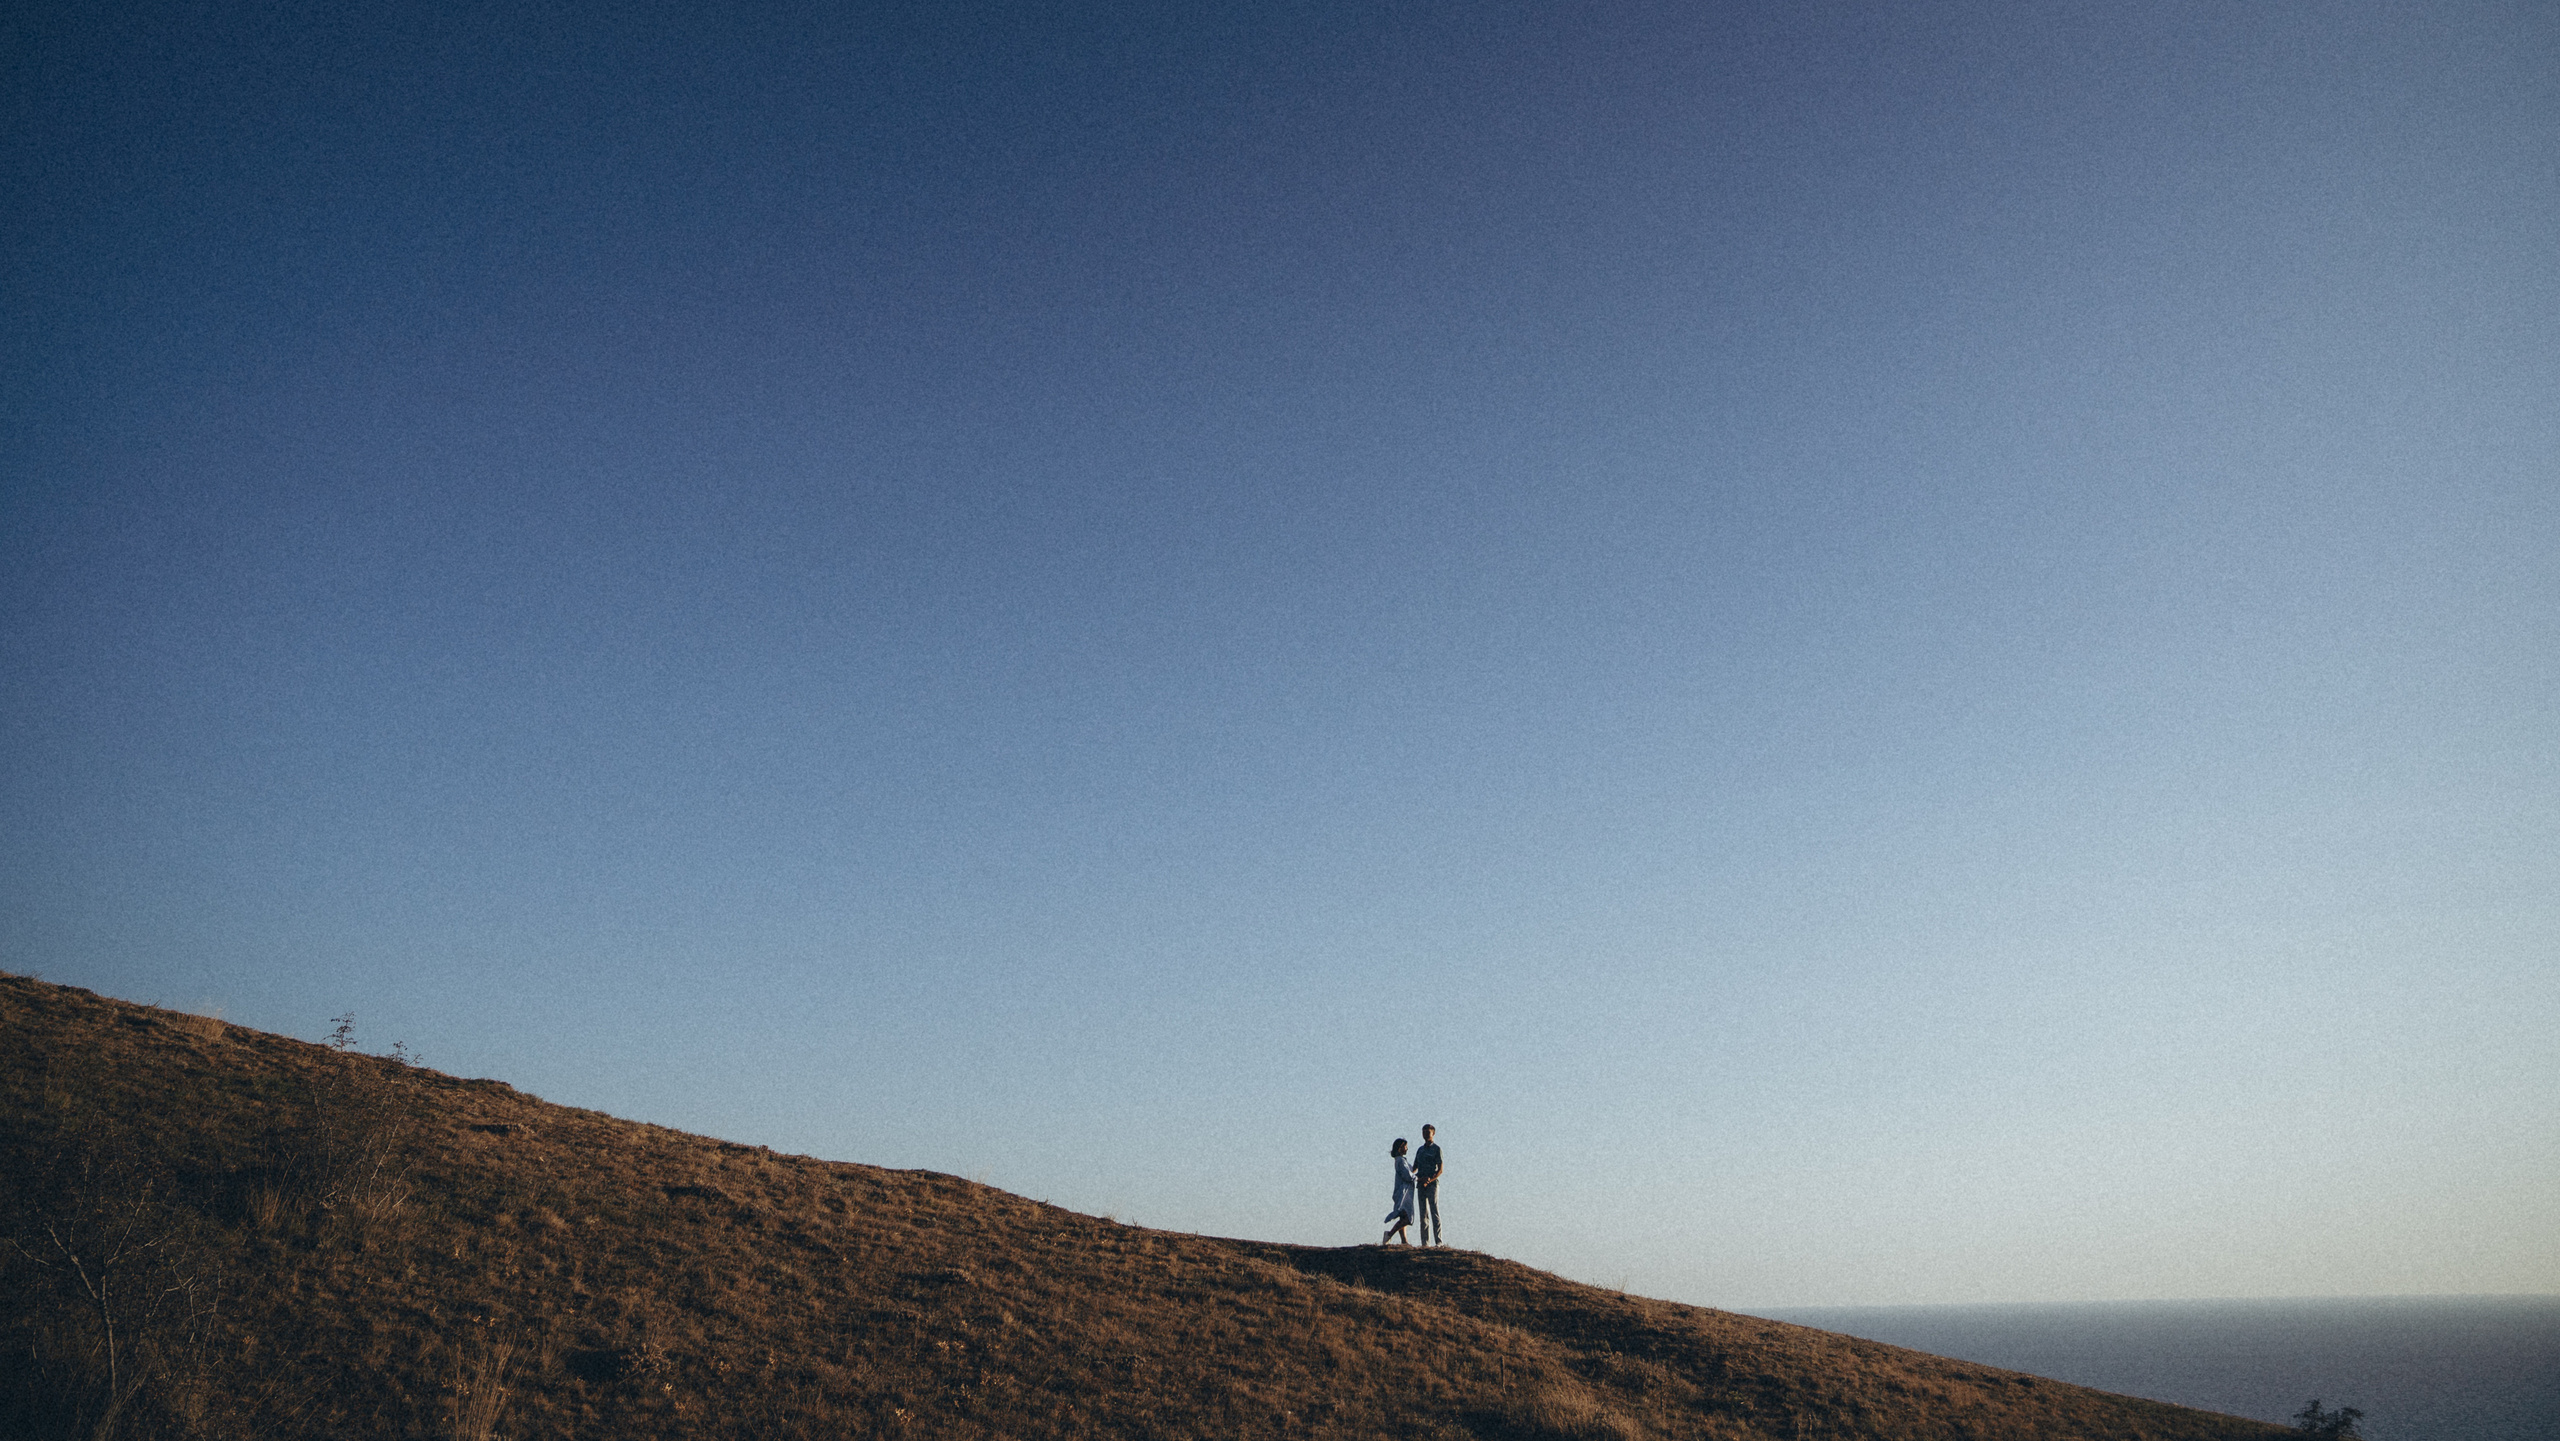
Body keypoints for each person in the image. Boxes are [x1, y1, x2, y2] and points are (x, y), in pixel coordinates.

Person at [1413, 1123, 1444, 1246]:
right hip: (1420, 1184)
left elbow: (1440, 1169)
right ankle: (1425, 1243)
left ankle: (1439, 1242)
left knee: (1434, 1211)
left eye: (1428, 1132)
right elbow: (1415, 1167)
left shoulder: (1436, 1149)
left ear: (1433, 1133)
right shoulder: (1420, 1150)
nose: (1425, 1134)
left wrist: (1429, 1180)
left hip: (1432, 1184)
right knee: (1423, 1214)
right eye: (1423, 1132)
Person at [1383, 1137, 1416, 1245]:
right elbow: (1407, 1175)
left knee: (1403, 1215)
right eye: (1405, 1147)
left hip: (1402, 1191)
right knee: (1407, 1217)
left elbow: (1411, 1170)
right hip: (1404, 1193)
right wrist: (1418, 1178)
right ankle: (1390, 1234)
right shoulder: (1401, 1161)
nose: (1407, 1149)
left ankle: (1404, 1240)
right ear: (1400, 1148)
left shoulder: (1401, 1160)